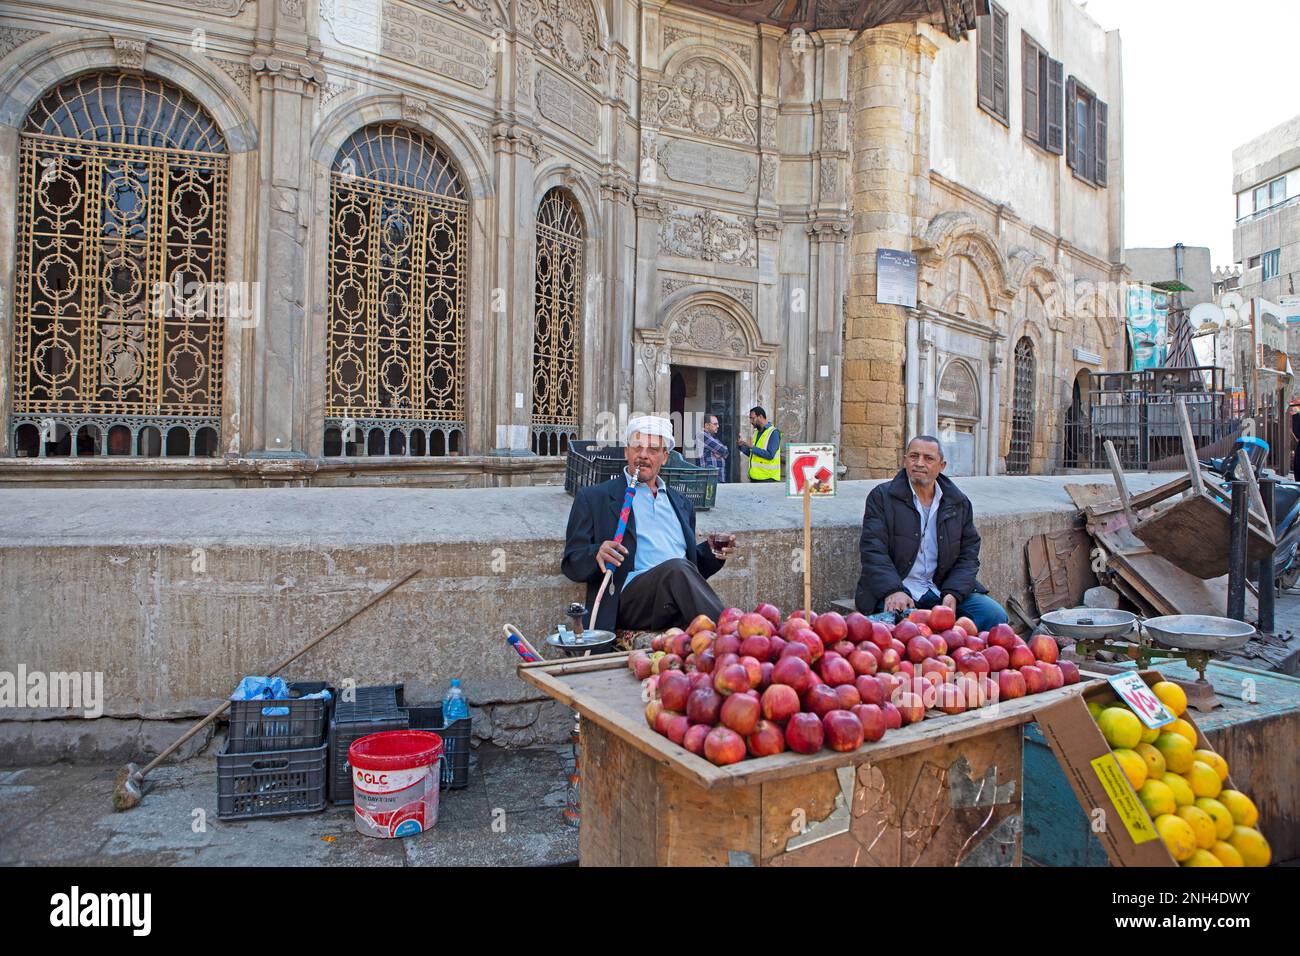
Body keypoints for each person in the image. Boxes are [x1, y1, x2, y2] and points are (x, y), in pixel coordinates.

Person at [562, 416, 737, 631]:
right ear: (627, 452)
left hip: (674, 594)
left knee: (678, 568)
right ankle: (731, 636)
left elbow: (691, 569)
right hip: (629, 601)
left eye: (653, 449)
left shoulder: (681, 503)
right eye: (637, 447)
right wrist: (597, 552)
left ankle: (728, 638)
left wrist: (710, 552)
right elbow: (572, 562)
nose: (643, 455)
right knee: (677, 569)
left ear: (665, 457)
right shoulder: (594, 498)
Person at [853, 435, 1009, 633]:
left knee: (993, 615)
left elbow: (968, 555)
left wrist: (953, 593)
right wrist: (893, 589)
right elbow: (873, 549)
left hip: (941, 588)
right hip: (899, 588)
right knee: (907, 634)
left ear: (941, 465)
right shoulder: (882, 497)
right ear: (904, 460)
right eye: (913, 456)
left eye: (928, 458)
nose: (919, 463)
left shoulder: (958, 502)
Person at [737, 406, 781, 482]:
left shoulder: (773, 432)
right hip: (755, 478)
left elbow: (770, 455)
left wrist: (752, 447)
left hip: (768, 479)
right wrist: (741, 446)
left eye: (752, 418)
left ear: (760, 417)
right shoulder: (756, 432)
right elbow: (753, 454)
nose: (751, 421)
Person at [697, 414, 729, 483]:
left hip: (715, 478)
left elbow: (725, 452)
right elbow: (723, 450)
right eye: (715, 424)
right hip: (709, 479)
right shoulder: (701, 435)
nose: (718, 426)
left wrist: (722, 452)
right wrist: (721, 453)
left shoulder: (712, 437)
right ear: (706, 425)